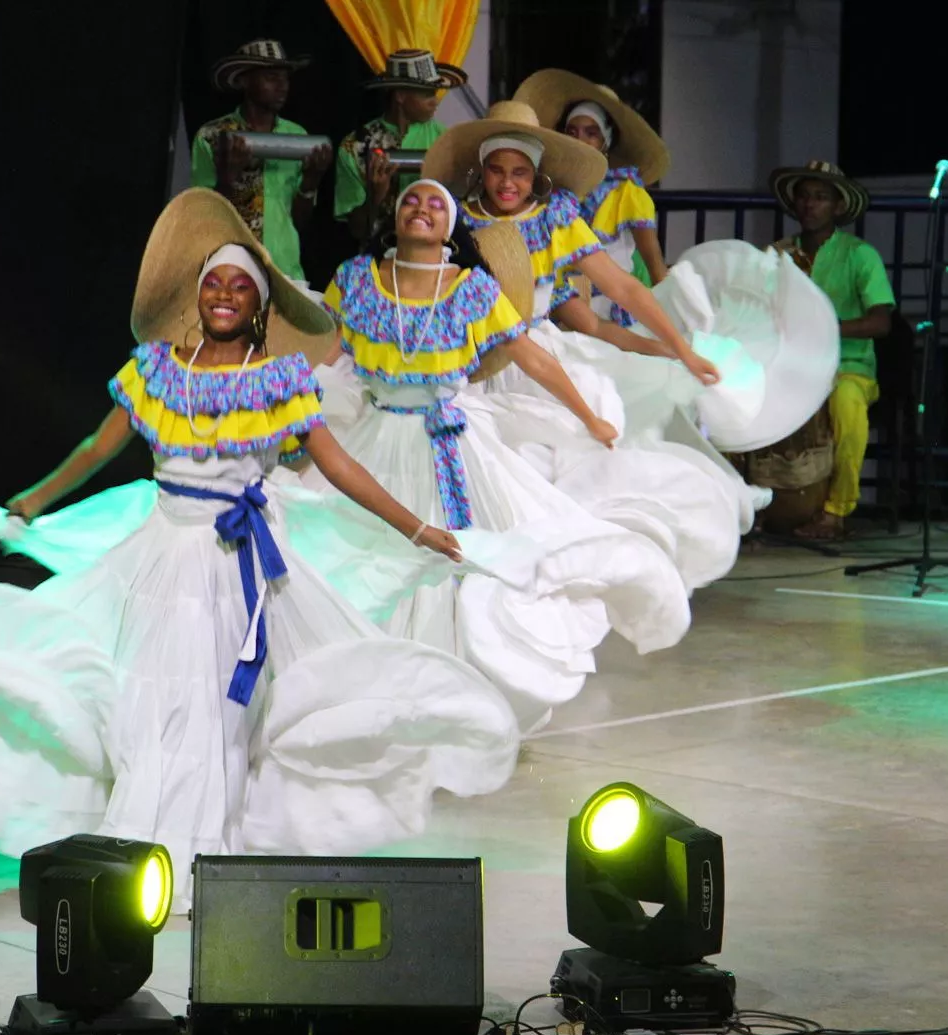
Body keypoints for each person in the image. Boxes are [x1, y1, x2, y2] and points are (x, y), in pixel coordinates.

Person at [0, 189, 520, 909]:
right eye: (213, 282)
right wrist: (32, 500)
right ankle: (143, 840)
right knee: (149, 697)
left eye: (240, 286)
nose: (225, 295)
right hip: (164, 554)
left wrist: (415, 526)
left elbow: (338, 464)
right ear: (196, 295)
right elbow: (96, 446)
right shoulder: (157, 369)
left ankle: (208, 849)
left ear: (260, 305)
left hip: (239, 566)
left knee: (221, 705)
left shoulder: (278, 379)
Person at [281, 177, 693, 730]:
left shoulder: (471, 289)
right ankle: (379, 691)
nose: (420, 208)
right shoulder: (357, 281)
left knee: (461, 557)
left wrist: (587, 414)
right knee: (363, 553)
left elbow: (533, 358)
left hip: (450, 443)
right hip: (377, 436)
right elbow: (327, 355)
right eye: (410, 200)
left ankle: (460, 690)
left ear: (451, 228)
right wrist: (284, 410)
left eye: (435, 203)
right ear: (394, 219)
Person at [422, 101, 753, 589]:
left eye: (520, 172)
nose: (508, 183)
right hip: (465, 365)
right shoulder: (457, 220)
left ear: (537, 175)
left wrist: (678, 349)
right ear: (481, 170)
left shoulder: (554, 219)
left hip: (532, 363)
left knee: (544, 469)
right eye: (497, 171)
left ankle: (535, 580)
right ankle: (472, 578)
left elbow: (623, 291)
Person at [767, 161, 895, 541]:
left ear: (838, 207)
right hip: (791, 367)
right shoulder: (778, 254)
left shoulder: (860, 254)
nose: (809, 204)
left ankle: (835, 511)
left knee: (846, 404)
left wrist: (822, 330)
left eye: (821, 197)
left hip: (848, 367)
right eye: (804, 196)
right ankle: (756, 508)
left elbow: (881, 322)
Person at [513, 70, 670, 325]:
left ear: (605, 142)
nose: (580, 140)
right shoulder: (553, 189)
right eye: (572, 131)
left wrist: (671, 326)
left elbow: (655, 266)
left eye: (591, 133)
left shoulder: (626, 192)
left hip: (610, 312)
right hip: (558, 308)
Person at [192, 39, 333, 284]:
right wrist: (229, 177)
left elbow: (299, 222)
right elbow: (205, 218)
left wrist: (311, 182)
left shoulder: (297, 138)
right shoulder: (213, 137)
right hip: (232, 273)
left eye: (285, 78)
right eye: (271, 77)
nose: (282, 86)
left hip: (286, 271)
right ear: (245, 81)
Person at [336, 48, 462, 247]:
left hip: (432, 260)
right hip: (377, 264)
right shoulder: (355, 146)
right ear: (401, 96)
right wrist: (375, 196)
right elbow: (357, 230)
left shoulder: (447, 141)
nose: (435, 101)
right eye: (427, 93)